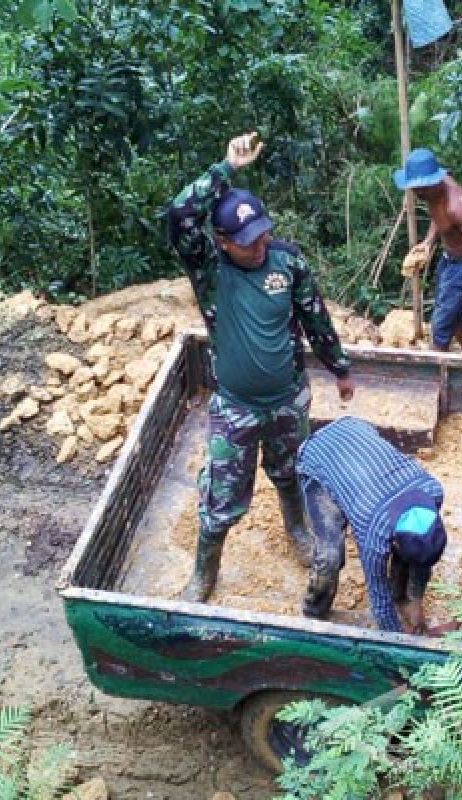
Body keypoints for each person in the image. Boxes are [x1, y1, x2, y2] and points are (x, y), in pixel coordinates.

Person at [165, 132, 355, 603]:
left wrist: (339, 366)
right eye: (248, 241)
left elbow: (315, 314)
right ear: (223, 241)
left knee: (291, 471)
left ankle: (297, 529)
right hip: (236, 409)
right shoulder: (210, 269)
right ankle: (204, 572)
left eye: (264, 233)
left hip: (289, 398)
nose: (260, 244)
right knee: (220, 499)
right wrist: (226, 168)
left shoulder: (288, 262)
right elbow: (179, 214)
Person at [296, 416, 447, 634]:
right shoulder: (373, 530)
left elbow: (424, 557)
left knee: (415, 551)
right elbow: (378, 597)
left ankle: (402, 595)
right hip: (319, 455)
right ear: (393, 541)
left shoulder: (432, 491)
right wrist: (397, 639)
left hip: (357, 432)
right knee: (330, 556)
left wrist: (415, 601)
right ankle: (314, 610)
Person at [394, 148, 462, 355]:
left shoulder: (456, 206)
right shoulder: (432, 191)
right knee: (454, 317)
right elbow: (437, 215)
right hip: (449, 260)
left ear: (433, 182)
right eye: (413, 188)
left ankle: (438, 382)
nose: (416, 193)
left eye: (419, 189)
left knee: (440, 328)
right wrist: (429, 242)